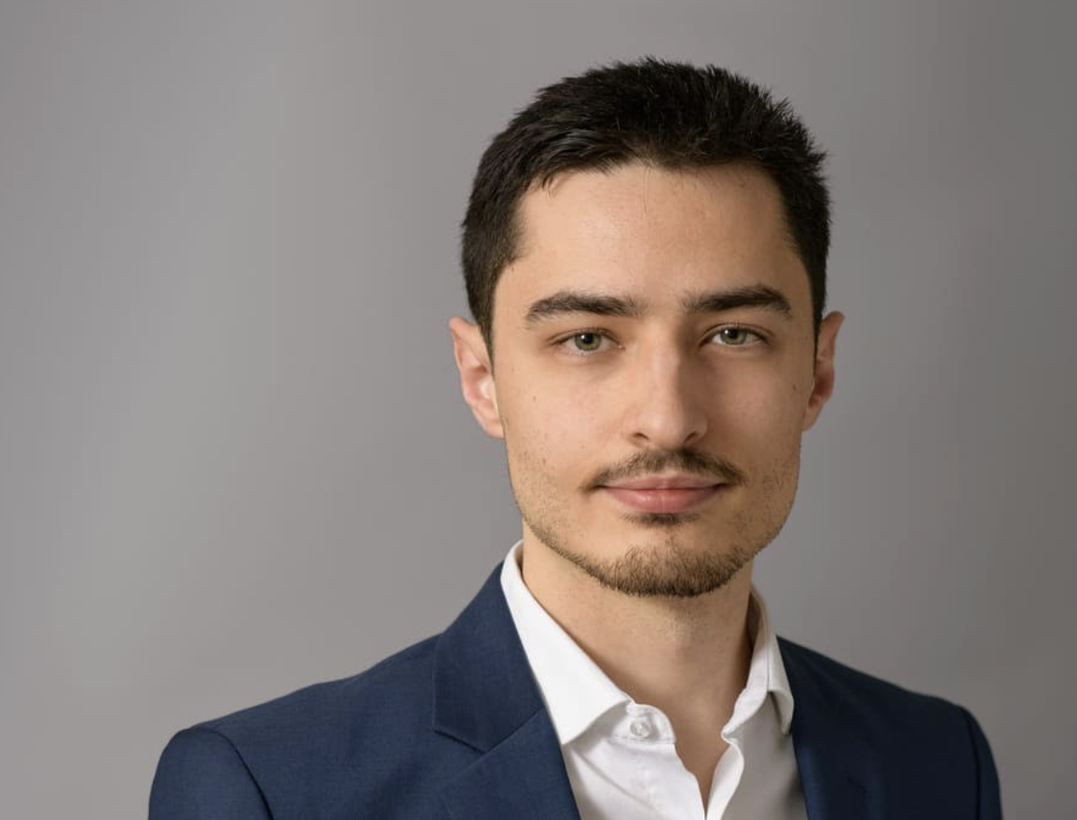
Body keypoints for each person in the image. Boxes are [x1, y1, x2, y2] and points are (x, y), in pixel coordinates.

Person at [149, 57, 1001, 819]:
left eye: (733, 334)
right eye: (588, 338)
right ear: (481, 377)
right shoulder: (271, 793)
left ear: (817, 370)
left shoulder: (937, 765)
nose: (667, 418)